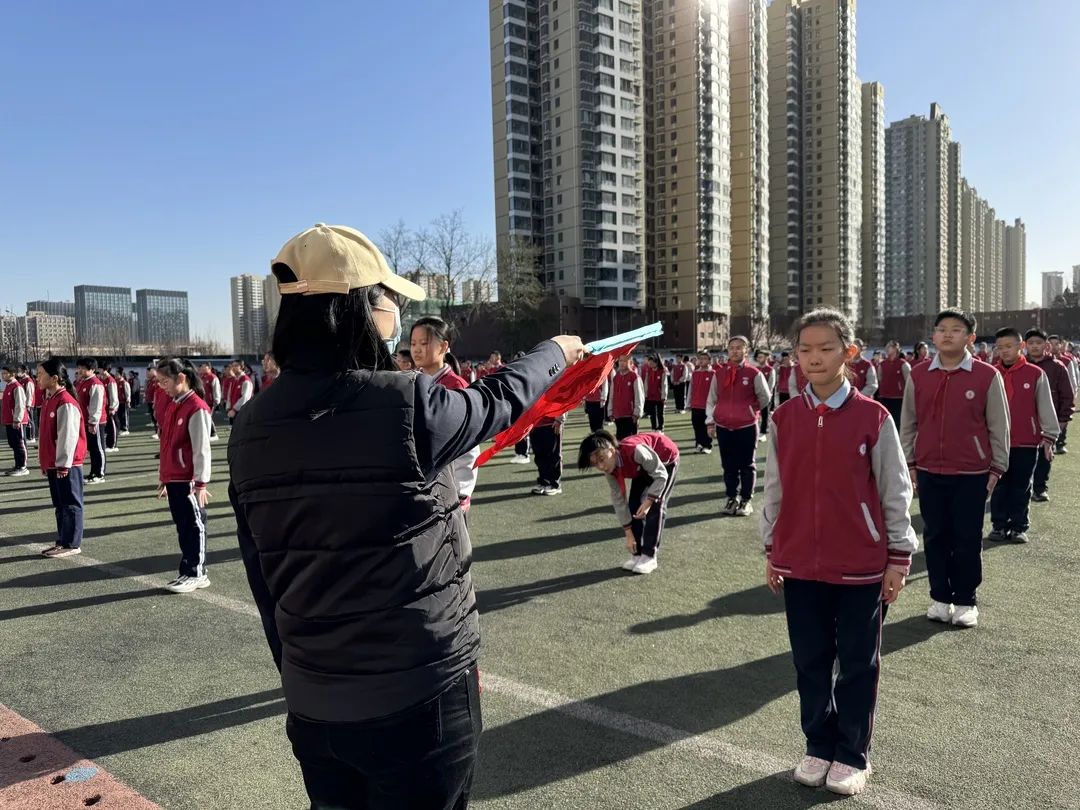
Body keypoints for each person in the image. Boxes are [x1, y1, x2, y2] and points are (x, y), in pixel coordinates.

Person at [228, 223, 586, 809]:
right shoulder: (405, 402)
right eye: (385, 299)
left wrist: (301, 673)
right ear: (357, 311)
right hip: (417, 693)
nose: (395, 312)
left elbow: (260, 572)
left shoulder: (249, 426)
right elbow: (497, 401)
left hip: (315, 700)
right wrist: (556, 352)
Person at [762, 308, 916, 797]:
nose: (813, 358)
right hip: (799, 563)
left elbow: (895, 490)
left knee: (856, 662)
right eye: (803, 350)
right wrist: (772, 547)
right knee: (809, 660)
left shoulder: (874, 416)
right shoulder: (784, 417)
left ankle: (851, 753)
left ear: (849, 354)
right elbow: (774, 491)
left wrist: (898, 556)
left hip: (860, 566)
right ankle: (818, 743)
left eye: (825, 348)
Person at [900, 308, 1009, 629]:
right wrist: (910, 462)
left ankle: (965, 600)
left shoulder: (987, 375)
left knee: (966, 537)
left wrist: (997, 467)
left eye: (956, 329)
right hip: (930, 470)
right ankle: (939, 598)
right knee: (935, 536)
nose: (948, 334)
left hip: (972, 472)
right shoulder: (918, 374)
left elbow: (998, 426)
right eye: (942, 329)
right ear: (933, 336)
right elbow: (908, 422)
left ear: (970, 338)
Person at [987, 328, 1058, 544]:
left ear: (1021, 347)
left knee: (1021, 486)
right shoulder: (990, 373)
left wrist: (1049, 437)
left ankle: (1019, 527)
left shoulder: (1036, 374)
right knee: (998, 486)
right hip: (996, 443)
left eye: (1009, 346)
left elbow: (1045, 406)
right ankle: (999, 526)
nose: (1004, 351)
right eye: (1000, 347)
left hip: (1026, 442)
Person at [578, 429, 679, 575]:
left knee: (657, 506)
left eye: (601, 459)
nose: (601, 466)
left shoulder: (635, 451)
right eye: (595, 464)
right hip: (643, 469)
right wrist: (628, 533)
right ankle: (637, 555)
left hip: (665, 461)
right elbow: (619, 501)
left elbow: (661, 475)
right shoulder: (610, 470)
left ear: (612, 449)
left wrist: (650, 500)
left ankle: (650, 556)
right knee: (634, 505)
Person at [410, 316, 482, 510]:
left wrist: (462, 491)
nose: (416, 349)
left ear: (443, 347)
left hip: (449, 490)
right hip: (421, 484)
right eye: (413, 343)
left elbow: (468, 445)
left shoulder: (456, 387)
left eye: (424, 343)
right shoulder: (412, 383)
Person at [155, 358, 214, 593]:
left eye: (165, 381)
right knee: (183, 526)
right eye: (159, 382)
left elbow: (201, 449)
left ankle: (197, 572)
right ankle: (187, 568)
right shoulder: (174, 404)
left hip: (189, 480)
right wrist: (164, 478)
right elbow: (167, 445)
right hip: (174, 479)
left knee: (194, 525)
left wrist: (200, 482)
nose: (161, 386)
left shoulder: (196, 407)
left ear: (181, 378)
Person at [706, 336, 771, 517]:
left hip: (747, 426)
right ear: (727, 350)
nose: (734, 351)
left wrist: (750, 410)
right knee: (728, 465)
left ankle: (746, 500)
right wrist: (710, 422)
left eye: (739, 348)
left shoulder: (754, 373)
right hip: (724, 426)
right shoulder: (718, 373)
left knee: (747, 464)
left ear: (746, 351)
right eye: (731, 348)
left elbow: (765, 397)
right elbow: (711, 399)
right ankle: (731, 497)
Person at [36, 358, 87, 558]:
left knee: (71, 503)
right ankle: (62, 540)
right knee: (60, 505)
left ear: (54, 378)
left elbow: (68, 436)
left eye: (41, 374)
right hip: (54, 463)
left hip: (66, 464)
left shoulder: (65, 402)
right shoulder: (49, 399)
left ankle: (72, 543)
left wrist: (63, 463)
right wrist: (45, 462)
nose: (37, 377)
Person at [1026, 329, 1074, 503]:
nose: (1034, 346)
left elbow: (1067, 395)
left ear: (1046, 345)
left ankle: (1040, 489)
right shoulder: (1021, 365)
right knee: (1022, 458)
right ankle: (1023, 490)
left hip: (1048, 422)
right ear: (1025, 345)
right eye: (1030, 343)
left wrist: (1062, 420)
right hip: (1024, 422)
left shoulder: (1057, 367)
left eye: (1038, 343)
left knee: (1045, 455)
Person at [74, 357, 107, 483]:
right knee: (92, 449)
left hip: (95, 422)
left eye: (83, 368)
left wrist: (93, 422)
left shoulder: (96, 384)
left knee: (98, 448)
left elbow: (96, 405)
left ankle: (100, 473)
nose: (80, 370)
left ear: (92, 369)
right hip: (85, 421)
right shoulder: (83, 382)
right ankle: (93, 472)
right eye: (79, 368)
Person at [1048, 335, 1078, 453]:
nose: (1054, 347)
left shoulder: (1067, 361)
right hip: (1049, 396)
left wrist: (1072, 394)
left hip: (1062, 396)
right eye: (1051, 344)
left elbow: (1073, 378)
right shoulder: (1043, 361)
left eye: (1056, 344)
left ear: (1061, 345)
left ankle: (1060, 443)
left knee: (1062, 418)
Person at [2, 366, 30, 476]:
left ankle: (23, 466)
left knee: (19, 443)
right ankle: (18, 465)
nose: (3, 375)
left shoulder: (16, 386)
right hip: (10, 421)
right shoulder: (8, 386)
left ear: (12, 374)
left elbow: (20, 405)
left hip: (17, 421)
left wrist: (17, 419)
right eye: (2, 373)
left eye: (5, 373)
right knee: (13, 443)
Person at [610, 353, 644, 440]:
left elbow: (639, 396)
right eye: (620, 360)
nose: (622, 363)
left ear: (630, 362)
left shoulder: (635, 377)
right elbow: (612, 396)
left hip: (630, 416)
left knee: (632, 442)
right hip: (618, 415)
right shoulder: (616, 378)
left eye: (625, 361)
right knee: (620, 442)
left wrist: (637, 413)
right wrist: (610, 411)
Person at [876, 341, 910, 425]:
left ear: (895, 349)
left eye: (889, 347)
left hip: (898, 398)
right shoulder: (882, 364)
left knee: (897, 421)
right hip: (884, 397)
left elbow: (909, 381)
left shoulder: (903, 364)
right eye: (886, 347)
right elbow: (879, 379)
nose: (887, 349)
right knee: (884, 421)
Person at [688, 352, 714, 453]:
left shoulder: (713, 373)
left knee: (706, 426)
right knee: (696, 425)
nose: (702, 360)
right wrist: (689, 403)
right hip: (696, 405)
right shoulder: (695, 373)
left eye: (704, 358)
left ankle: (707, 445)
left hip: (708, 405)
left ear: (709, 360)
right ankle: (699, 444)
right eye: (700, 358)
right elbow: (690, 389)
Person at [642, 354, 668, 432]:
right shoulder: (648, 371)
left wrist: (664, 396)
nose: (650, 364)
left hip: (659, 396)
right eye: (649, 363)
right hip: (650, 396)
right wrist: (645, 394)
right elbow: (646, 383)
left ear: (656, 362)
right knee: (652, 413)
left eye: (652, 362)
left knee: (660, 413)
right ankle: (653, 427)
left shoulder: (662, 371)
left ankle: (660, 427)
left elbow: (664, 384)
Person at [754, 349, 776, 441]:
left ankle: (763, 433)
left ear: (766, 358)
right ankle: (756, 431)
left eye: (761, 357)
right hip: (755, 396)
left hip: (765, 396)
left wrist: (768, 395)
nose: (759, 359)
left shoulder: (771, 370)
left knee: (764, 414)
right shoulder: (756, 369)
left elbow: (771, 384)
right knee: (755, 414)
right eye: (758, 357)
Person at [199, 362, 223, 442]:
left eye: (204, 367)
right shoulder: (201, 377)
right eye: (201, 367)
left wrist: (216, 400)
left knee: (208, 417)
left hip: (210, 402)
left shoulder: (213, 377)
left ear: (209, 368)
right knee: (205, 417)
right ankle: (209, 433)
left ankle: (213, 433)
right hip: (202, 401)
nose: (202, 368)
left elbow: (216, 389)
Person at [17, 365, 38, 446]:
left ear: (25, 371)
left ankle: (32, 437)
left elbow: (29, 393)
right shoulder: (22, 380)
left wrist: (28, 405)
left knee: (30, 420)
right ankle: (28, 436)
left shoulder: (28, 380)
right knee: (26, 420)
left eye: (20, 370)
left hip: (28, 404)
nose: (18, 372)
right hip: (23, 404)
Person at [101, 366, 120, 452]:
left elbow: (113, 395)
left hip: (110, 408)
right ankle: (109, 444)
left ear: (104, 370)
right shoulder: (103, 380)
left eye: (99, 368)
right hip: (105, 408)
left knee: (113, 426)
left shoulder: (110, 381)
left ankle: (113, 445)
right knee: (108, 427)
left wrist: (112, 407)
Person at [114, 367, 131, 436]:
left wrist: (128, 401)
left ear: (121, 375)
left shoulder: (125, 383)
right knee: (119, 416)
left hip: (124, 402)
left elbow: (128, 393)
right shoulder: (116, 382)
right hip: (118, 402)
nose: (115, 375)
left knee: (124, 416)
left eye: (117, 374)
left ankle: (125, 429)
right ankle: (120, 428)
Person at [145, 366, 161, 438]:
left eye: (149, 372)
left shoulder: (157, 380)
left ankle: (158, 431)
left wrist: (155, 402)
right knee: (153, 417)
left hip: (154, 402)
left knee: (156, 417)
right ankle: (156, 431)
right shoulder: (150, 380)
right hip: (150, 401)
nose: (147, 373)